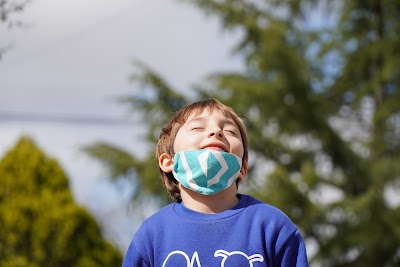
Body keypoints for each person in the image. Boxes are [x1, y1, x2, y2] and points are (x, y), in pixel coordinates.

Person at [122, 98, 309, 267]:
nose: (216, 131)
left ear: (242, 169)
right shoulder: (153, 233)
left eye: (229, 130)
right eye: (197, 128)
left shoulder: (272, 226)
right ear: (169, 161)